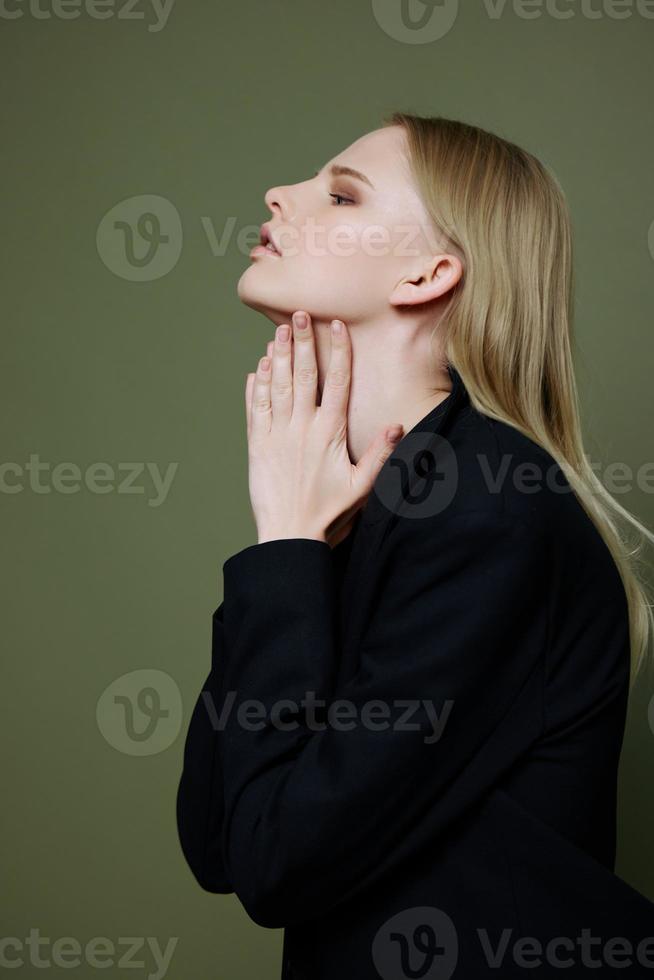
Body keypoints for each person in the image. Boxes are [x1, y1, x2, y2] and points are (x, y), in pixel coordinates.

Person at [176, 114, 654, 979]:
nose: (278, 195)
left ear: (430, 271)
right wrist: (292, 543)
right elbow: (222, 842)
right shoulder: (369, 504)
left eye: (342, 192)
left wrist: (285, 545)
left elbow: (276, 861)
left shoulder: (487, 505)